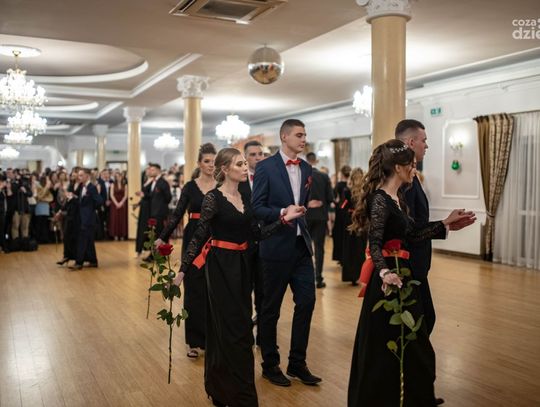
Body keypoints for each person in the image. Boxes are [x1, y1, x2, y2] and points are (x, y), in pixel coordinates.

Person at [347, 139, 475, 406]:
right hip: (389, 281)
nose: (415, 170)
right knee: (390, 346)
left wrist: (446, 224)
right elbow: (375, 243)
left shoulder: (397, 199)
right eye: (412, 165)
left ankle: (415, 398)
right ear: (398, 167)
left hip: (402, 275)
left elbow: (412, 234)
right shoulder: (380, 199)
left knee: (414, 341)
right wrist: (384, 273)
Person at [174, 148, 304, 407]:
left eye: (245, 163)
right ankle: (237, 395)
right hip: (220, 267)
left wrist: (283, 218)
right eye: (239, 164)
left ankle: (226, 389)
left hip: (242, 267)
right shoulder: (213, 198)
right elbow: (199, 236)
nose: (246, 167)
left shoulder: (246, 197)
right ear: (224, 169)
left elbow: (257, 234)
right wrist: (182, 271)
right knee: (231, 331)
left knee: (242, 329)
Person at [252, 118, 321, 387]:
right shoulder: (265, 167)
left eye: (305, 135)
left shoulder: (306, 168)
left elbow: (300, 203)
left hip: (301, 246)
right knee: (270, 310)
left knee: (307, 302)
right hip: (275, 247)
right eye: (299, 135)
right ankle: (270, 365)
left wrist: (301, 210)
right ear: (284, 137)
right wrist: (283, 212)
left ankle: (297, 363)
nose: (304, 139)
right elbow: (257, 208)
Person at [395, 119, 475, 335]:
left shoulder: (412, 177)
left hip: (416, 263)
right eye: (424, 140)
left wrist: (447, 226)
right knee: (421, 322)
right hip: (407, 264)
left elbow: (416, 224)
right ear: (411, 143)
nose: (427, 145)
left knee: (424, 321)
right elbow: (409, 230)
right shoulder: (403, 181)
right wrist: (444, 223)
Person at [156, 143, 217, 358]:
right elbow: (177, 214)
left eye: (214, 161)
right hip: (193, 238)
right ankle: (194, 341)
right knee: (193, 288)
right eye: (207, 161)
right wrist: (162, 236)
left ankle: (212, 339)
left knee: (214, 289)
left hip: (216, 238)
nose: (211, 165)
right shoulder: (190, 187)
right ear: (199, 163)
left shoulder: (222, 185)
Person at [239, 139, 265, 337]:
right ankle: (244, 334)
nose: (258, 158)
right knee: (244, 290)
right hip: (244, 243)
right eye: (253, 155)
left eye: (260, 154)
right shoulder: (238, 181)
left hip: (266, 242)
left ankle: (264, 336)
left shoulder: (271, 178)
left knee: (264, 292)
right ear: (245, 158)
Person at [305, 152, 334, 288]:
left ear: (306, 161)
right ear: (315, 161)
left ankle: (305, 277)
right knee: (319, 248)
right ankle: (318, 278)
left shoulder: (301, 176)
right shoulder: (324, 176)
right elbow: (330, 198)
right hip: (321, 216)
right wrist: (321, 203)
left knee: (304, 248)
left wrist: (307, 204)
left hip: (305, 216)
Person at [69, 168, 103, 270]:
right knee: (89, 241)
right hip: (82, 218)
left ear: (87, 176)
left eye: (81, 175)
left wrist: (91, 209)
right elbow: (82, 203)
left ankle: (79, 263)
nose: (79, 177)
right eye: (78, 175)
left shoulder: (92, 187)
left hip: (88, 219)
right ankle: (93, 261)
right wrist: (74, 197)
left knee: (82, 241)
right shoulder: (82, 187)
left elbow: (99, 201)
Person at [340, 167, 366, 285]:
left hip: (350, 220)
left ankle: (351, 275)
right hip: (362, 220)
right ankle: (361, 275)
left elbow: (342, 207)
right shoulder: (366, 191)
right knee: (361, 248)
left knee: (350, 248)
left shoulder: (347, 191)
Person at [332, 165, 351, 263]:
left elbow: (335, 198)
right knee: (346, 235)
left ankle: (340, 256)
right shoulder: (350, 185)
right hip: (349, 212)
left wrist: (337, 204)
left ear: (342, 174)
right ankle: (346, 256)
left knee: (339, 234)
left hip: (340, 212)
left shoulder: (339, 185)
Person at [135, 166, 153, 256]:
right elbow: (144, 195)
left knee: (147, 227)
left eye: (149, 170)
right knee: (141, 227)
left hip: (149, 208)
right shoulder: (146, 180)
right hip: (143, 207)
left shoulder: (153, 182)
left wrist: (144, 195)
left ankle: (148, 248)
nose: (147, 171)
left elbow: (152, 195)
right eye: (147, 170)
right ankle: (139, 249)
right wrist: (138, 203)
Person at [108, 171, 128, 240]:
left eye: (119, 176)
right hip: (114, 203)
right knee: (115, 219)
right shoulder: (112, 184)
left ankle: (122, 235)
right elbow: (111, 195)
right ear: (115, 178)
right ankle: (115, 235)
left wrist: (121, 203)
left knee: (122, 219)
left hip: (122, 203)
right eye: (117, 177)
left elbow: (126, 195)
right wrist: (116, 203)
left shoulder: (125, 185)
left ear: (122, 177)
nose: (118, 178)